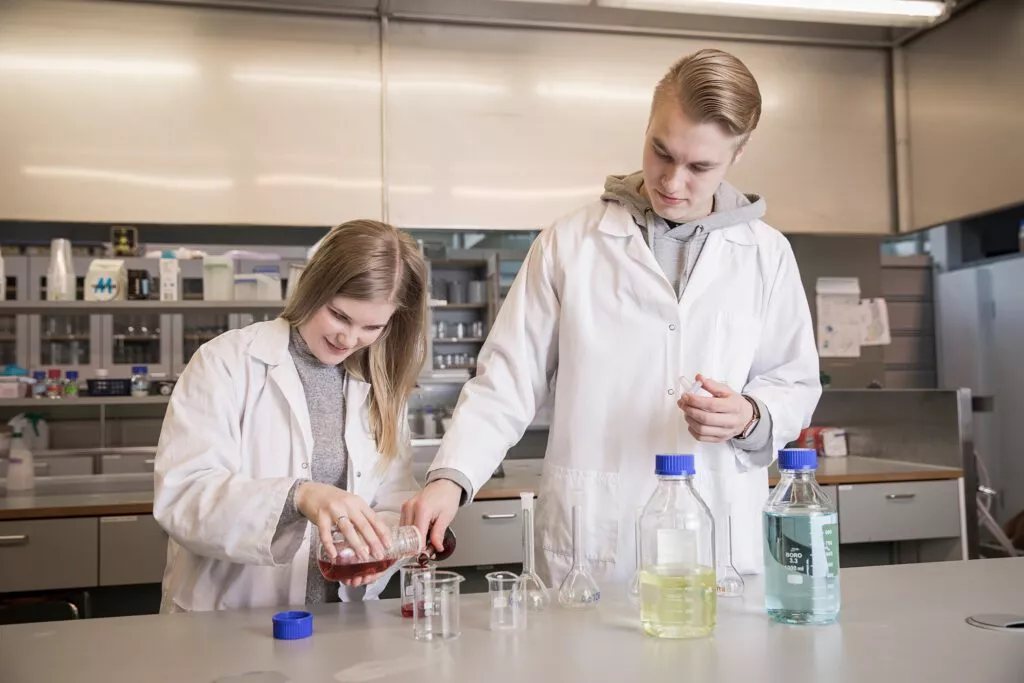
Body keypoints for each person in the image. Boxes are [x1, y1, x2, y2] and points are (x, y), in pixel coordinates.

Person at [402, 48, 821, 585]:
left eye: (699, 167)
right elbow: (507, 379)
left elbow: (792, 381)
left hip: (719, 545)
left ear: (739, 153)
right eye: (661, 151)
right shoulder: (569, 243)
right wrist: (451, 477)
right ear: (647, 123)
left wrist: (750, 416)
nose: (672, 181)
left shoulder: (766, 254)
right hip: (597, 547)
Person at [154, 219, 428, 612]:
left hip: (340, 619)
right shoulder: (226, 363)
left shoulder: (379, 384)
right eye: (339, 316)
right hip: (231, 620)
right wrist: (299, 496)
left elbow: (392, 497)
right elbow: (183, 497)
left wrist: (376, 549)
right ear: (313, 287)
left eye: (372, 326)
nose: (349, 339)